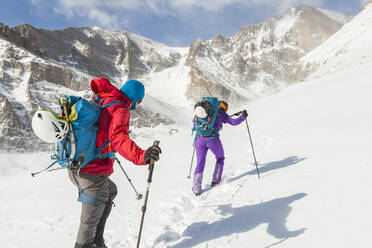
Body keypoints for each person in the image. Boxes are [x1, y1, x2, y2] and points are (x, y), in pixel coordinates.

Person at [68, 78, 162, 248]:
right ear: (135, 99)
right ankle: (90, 243)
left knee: (111, 191)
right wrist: (142, 155)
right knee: (86, 230)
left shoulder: (102, 99)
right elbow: (118, 138)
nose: (137, 105)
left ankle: (98, 241)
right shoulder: (120, 109)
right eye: (138, 102)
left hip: (76, 167)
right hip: (92, 172)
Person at [192, 100, 247, 196]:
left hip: (199, 140)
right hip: (213, 140)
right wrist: (243, 116)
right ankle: (215, 180)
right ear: (225, 108)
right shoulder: (222, 114)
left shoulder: (203, 112)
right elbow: (234, 122)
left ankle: (197, 189)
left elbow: (194, 124)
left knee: (200, 163)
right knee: (220, 158)